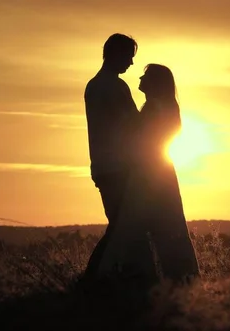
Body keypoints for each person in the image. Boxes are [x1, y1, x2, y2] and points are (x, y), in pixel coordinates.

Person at [95, 64, 200, 286]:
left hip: (150, 172)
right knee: (166, 225)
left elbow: (143, 139)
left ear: (155, 83)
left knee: (137, 225)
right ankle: (177, 279)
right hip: (156, 170)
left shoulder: (157, 108)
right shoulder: (161, 106)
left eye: (146, 75)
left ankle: (110, 278)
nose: (140, 77)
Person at [81, 33, 140, 283]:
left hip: (102, 166)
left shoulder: (93, 85)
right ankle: (93, 277)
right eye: (129, 57)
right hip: (119, 166)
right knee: (122, 225)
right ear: (115, 54)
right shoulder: (115, 86)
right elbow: (135, 124)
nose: (131, 63)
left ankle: (113, 276)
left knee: (121, 224)